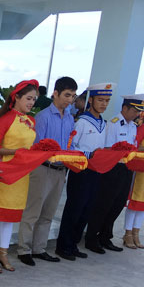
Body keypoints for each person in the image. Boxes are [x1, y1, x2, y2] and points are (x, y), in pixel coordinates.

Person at [16, 76, 77, 266]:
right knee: (33, 212)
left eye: (73, 96)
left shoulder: (69, 118)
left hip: (60, 171)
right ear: (55, 93)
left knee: (48, 212)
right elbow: (37, 147)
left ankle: (39, 248)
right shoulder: (42, 117)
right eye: (67, 95)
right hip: (42, 169)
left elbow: (70, 144)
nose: (69, 100)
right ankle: (23, 250)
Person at [0, 80, 39, 273]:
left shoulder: (31, 121)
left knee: (10, 216)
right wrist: (18, 152)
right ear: (16, 98)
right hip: (4, 172)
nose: (31, 102)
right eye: (28, 98)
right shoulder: (5, 119)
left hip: (21, 175)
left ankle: (3, 253)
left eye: (34, 99)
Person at [54, 83, 112, 261]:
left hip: (96, 171)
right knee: (75, 208)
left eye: (107, 101)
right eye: (100, 100)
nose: (103, 104)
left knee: (87, 209)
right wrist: (89, 154)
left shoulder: (103, 122)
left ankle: (73, 244)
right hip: (81, 170)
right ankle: (63, 245)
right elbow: (71, 146)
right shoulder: (81, 122)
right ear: (91, 100)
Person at [85, 94, 144, 254]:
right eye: (134, 111)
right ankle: (92, 238)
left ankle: (106, 237)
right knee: (104, 204)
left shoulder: (133, 126)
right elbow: (108, 149)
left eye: (139, 112)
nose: (136, 114)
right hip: (113, 168)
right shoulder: (114, 124)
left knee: (118, 204)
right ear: (124, 108)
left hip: (127, 168)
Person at [124, 96, 144, 249]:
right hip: (140, 169)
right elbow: (134, 147)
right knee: (134, 202)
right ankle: (127, 234)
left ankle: (136, 233)